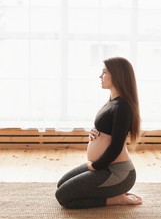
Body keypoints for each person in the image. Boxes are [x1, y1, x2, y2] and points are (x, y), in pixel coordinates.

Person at [55, 57, 142, 209]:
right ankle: (108, 191)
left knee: (62, 196)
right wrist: (96, 132)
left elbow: (115, 146)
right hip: (104, 167)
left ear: (117, 75)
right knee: (61, 185)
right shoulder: (112, 102)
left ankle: (117, 199)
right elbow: (108, 130)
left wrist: (95, 165)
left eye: (104, 72)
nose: (100, 76)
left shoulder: (123, 107)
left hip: (118, 173)